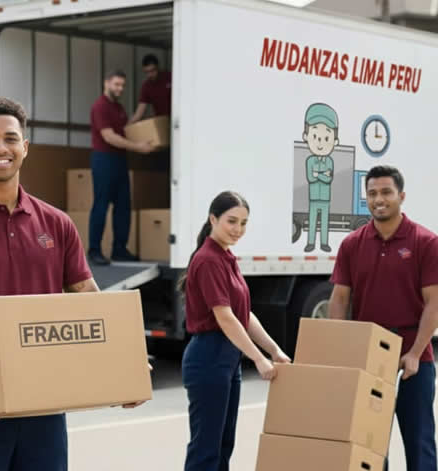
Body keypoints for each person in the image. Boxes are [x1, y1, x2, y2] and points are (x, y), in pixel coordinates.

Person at [0, 97, 142, 471]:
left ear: (25, 147)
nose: (0, 148)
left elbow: (87, 297)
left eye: (10, 138)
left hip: (45, 402)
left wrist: (123, 365)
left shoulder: (56, 223)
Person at [328, 165, 438, 471]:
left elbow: (434, 304)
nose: (378, 199)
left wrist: (415, 353)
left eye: (386, 192)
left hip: (414, 357)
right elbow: (340, 299)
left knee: (419, 442)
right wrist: (339, 351)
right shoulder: (352, 244)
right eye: (372, 193)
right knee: (370, 446)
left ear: (401, 196)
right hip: (368, 357)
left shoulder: (426, 242)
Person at [179, 191, 290, 471]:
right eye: (231, 221)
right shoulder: (207, 260)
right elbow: (225, 318)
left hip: (227, 358)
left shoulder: (227, 257)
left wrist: (274, 350)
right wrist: (257, 358)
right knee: (206, 449)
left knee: (223, 445)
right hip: (208, 357)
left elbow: (244, 315)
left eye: (243, 223)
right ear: (212, 219)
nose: (238, 230)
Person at [89, 69, 153, 265]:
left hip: (119, 160)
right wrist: (138, 148)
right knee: (101, 205)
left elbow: (126, 129)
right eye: (116, 84)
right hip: (104, 159)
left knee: (123, 206)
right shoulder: (100, 107)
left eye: (122, 85)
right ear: (106, 83)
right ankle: (94, 251)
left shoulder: (118, 108)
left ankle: (119, 249)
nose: (120, 88)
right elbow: (110, 137)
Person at [302, 102, 338, 253]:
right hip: (314, 196)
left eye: (326, 138)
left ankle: (324, 243)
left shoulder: (330, 160)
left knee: (324, 222)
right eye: (315, 136)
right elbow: (310, 178)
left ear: (335, 141)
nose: (320, 143)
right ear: (306, 136)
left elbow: (329, 179)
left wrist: (319, 175)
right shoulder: (309, 160)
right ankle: (310, 243)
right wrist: (322, 175)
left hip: (325, 197)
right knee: (312, 222)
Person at [129, 54, 173, 124]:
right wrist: (127, 126)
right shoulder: (146, 86)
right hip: (162, 121)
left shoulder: (170, 77)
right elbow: (139, 112)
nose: (150, 75)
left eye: (152, 71)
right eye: (147, 72)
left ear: (158, 67)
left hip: (177, 118)